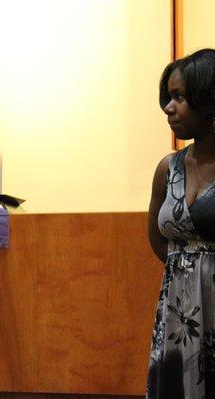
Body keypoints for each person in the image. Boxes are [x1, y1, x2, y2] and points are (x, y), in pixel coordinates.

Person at [146, 48, 215, 398]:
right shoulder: (167, 168)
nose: (168, 108)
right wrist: (189, 271)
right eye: (167, 98)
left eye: (179, 97)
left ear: (208, 100)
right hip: (177, 307)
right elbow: (157, 239)